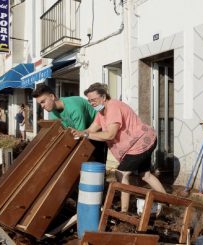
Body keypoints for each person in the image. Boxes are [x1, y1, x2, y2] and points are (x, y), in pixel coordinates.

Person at [71, 83, 166, 213]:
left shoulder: (113, 107)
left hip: (141, 141)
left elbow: (110, 134)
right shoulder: (101, 113)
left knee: (121, 173)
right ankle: (167, 202)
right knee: (146, 175)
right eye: (89, 100)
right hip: (141, 141)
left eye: (93, 99)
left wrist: (86, 134)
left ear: (103, 97)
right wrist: (78, 132)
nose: (91, 103)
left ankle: (124, 211)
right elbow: (90, 130)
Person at [32, 83, 107, 163]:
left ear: (52, 97)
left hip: (98, 130)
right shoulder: (52, 113)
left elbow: (80, 136)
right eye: (40, 103)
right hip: (83, 132)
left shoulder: (74, 108)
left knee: (96, 165)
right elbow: (60, 134)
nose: (42, 106)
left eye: (43, 101)